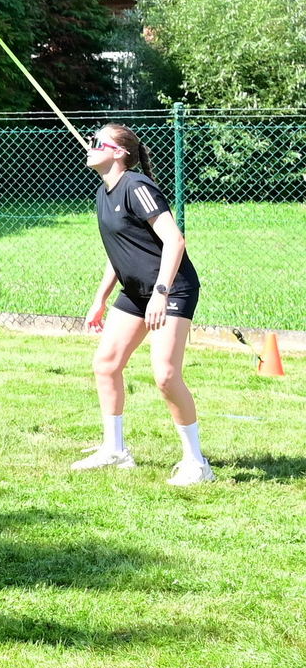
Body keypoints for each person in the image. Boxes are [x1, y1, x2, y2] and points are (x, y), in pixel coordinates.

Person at [74, 123, 213, 485]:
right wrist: (100, 299)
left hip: (172, 289)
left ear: (119, 153)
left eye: (97, 141)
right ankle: (115, 451)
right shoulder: (104, 193)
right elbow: (119, 252)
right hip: (136, 293)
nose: (90, 145)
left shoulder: (137, 187)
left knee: (165, 375)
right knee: (106, 364)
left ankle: (197, 463)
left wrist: (161, 292)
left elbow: (174, 240)